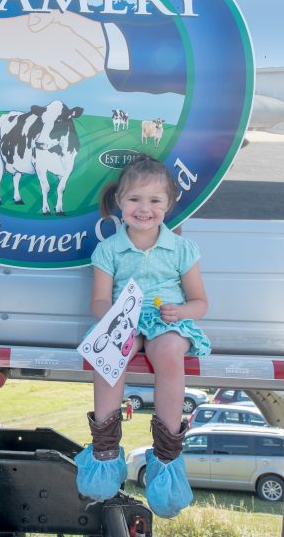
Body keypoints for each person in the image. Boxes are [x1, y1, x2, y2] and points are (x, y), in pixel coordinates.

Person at [74, 154, 209, 518]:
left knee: (167, 353)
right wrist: (118, 320)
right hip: (125, 319)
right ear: (119, 202)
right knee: (111, 354)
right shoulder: (109, 250)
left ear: (168, 205)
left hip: (168, 321)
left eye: (154, 201)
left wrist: (180, 312)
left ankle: (166, 456)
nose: (144, 208)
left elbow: (200, 303)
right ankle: (104, 448)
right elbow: (99, 301)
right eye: (135, 199)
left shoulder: (182, 249)